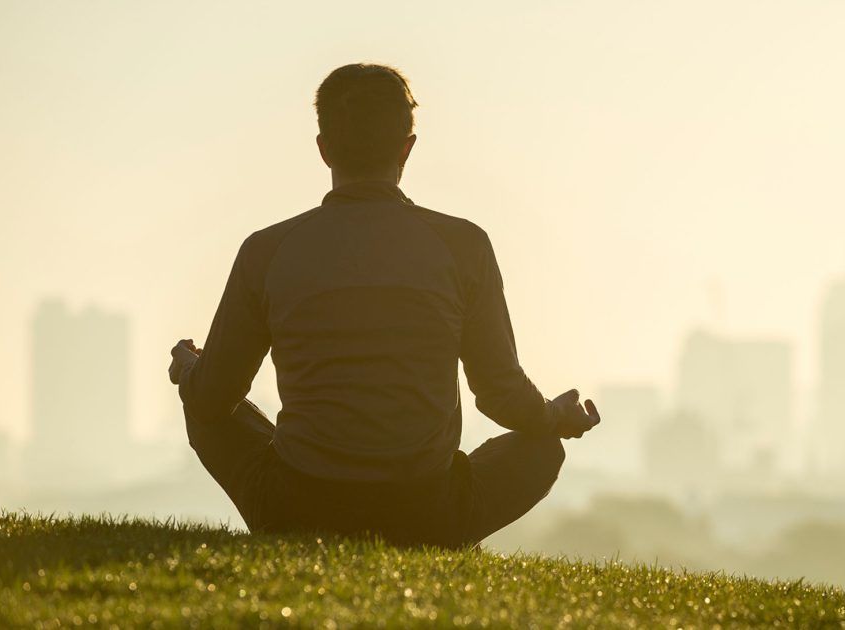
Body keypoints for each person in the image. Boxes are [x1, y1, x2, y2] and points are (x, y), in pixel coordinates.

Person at [167, 63, 599, 548]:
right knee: (543, 449)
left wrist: (189, 369)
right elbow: (500, 394)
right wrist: (550, 416)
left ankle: (295, 530)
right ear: (407, 148)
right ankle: (437, 538)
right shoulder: (463, 246)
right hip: (429, 513)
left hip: (295, 505)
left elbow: (211, 401)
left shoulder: (266, 251)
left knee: (200, 401)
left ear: (324, 148)